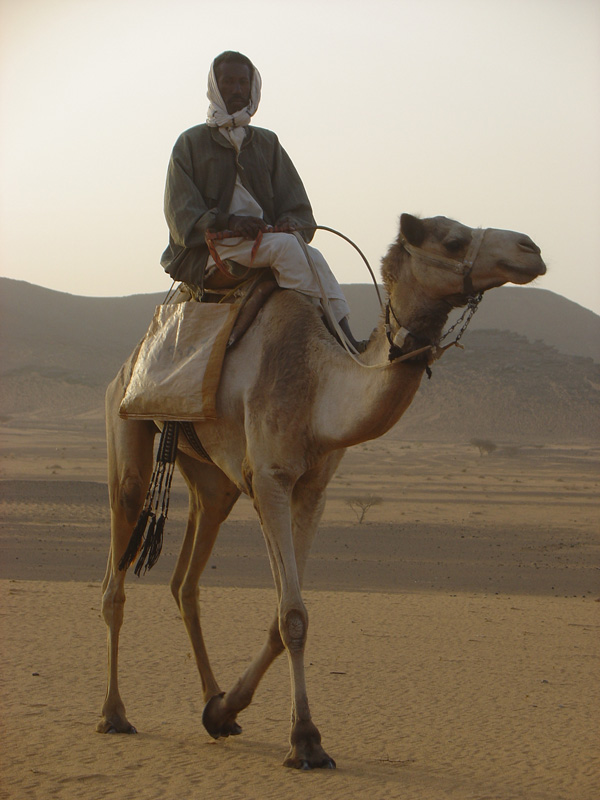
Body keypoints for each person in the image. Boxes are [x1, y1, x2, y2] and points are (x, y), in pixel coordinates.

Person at [160, 50, 363, 350]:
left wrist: (290, 222)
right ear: (215, 86)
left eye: (243, 82)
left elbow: (297, 205)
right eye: (228, 82)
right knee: (286, 248)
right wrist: (229, 222)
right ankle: (338, 341)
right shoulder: (189, 144)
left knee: (313, 255)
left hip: (262, 242)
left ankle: (345, 338)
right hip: (208, 249)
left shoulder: (267, 143)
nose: (237, 89)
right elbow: (182, 217)